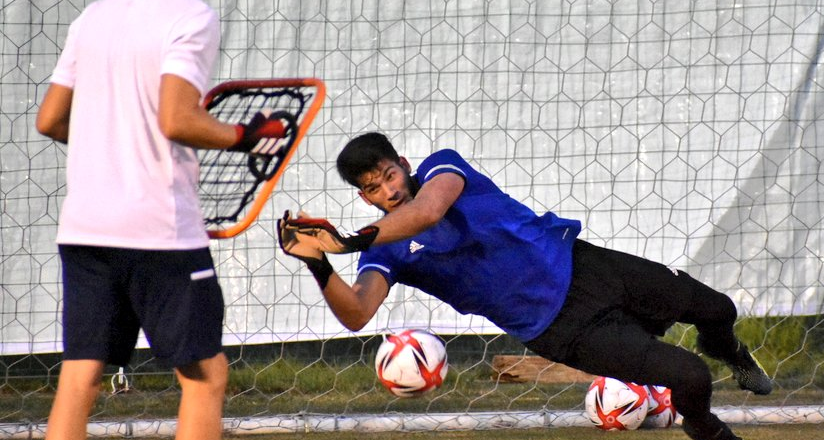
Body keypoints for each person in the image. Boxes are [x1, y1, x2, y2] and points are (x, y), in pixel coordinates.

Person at [277, 132, 773, 440]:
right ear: (364, 198)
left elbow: (428, 211)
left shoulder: (442, 168)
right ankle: (702, 425)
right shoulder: (383, 250)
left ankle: (726, 349)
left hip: (588, 267)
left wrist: (347, 240)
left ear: (404, 164)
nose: (388, 190)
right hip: (560, 329)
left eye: (389, 175)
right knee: (691, 379)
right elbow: (357, 312)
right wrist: (319, 263)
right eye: (373, 188)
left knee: (718, 309)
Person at [35, 1, 290, 440]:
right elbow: (177, 120)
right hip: (158, 230)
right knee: (204, 375)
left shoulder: (93, 17)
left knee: (79, 376)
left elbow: (50, 120)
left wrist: (114, 143)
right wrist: (246, 136)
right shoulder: (191, 16)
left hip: (83, 227)